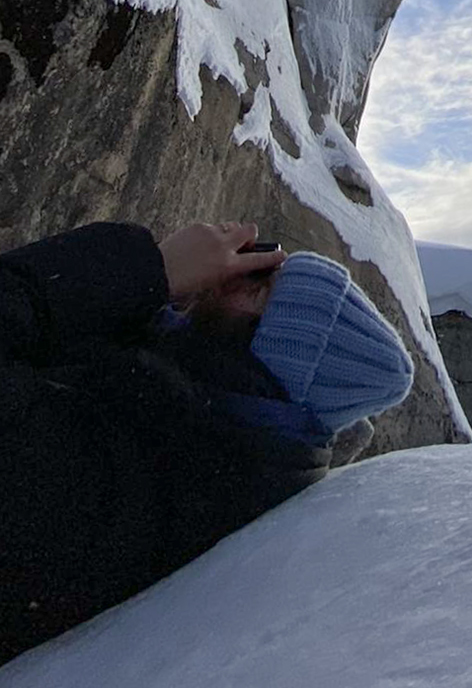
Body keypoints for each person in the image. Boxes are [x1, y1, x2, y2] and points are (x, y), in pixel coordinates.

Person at [0, 218, 414, 665]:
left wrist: (150, 268)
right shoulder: (198, 444)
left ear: (265, 347)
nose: (227, 271)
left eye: (257, 280)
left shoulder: (124, 480)